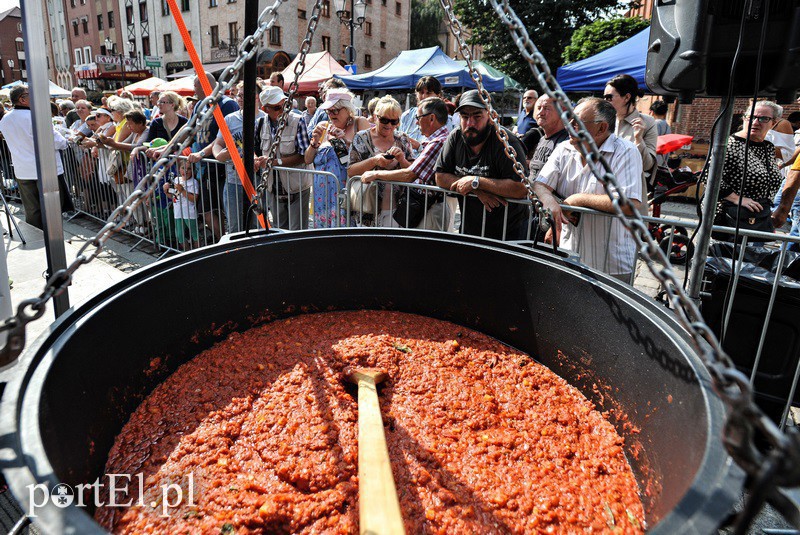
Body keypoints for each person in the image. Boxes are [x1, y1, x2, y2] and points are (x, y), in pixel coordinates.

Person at [533, 97, 643, 281]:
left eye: (577, 122)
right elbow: (539, 184)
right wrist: (550, 202)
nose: (569, 125)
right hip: (569, 255)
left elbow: (629, 203)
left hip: (610, 265)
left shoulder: (625, 151)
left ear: (602, 128)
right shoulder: (564, 149)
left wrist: (577, 200)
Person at [435, 89, 529, 240]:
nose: (470, 123)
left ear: (491, 117)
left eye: (477, 116)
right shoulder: (456, 137)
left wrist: (476, 181)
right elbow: (440, 176)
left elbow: (521, 188)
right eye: (465, 117)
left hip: (509, 232)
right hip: (471, 229)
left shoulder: (506, 142)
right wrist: (474, 188)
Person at [361, 97, 451, 230]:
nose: (416, 122)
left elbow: (410, 175)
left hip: (430, 207)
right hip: (422, 206)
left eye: (418, 117)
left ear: (431, 119)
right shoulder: (438, 140)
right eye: (384, 120)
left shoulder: (438, 143)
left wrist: (376, 174)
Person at [0, 85, 73, 229]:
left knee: (32, 209)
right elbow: (56, 142)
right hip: (46, 170)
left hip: (23, 170)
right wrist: (66, 141)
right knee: (52, 209)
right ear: (22, 99)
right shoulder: (36, 117)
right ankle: (53, 241)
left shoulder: (5, 120)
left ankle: (37, 236)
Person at [711, 101, 783, 241]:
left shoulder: (767, 147)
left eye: (763, 118)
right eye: (751, 117)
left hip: (758, 219)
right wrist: (736, 198)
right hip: (730, 221)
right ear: (744, 118)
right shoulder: (730, 144)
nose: (755, 122)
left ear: (773, 123)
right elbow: (709, 177)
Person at [305, 89, 370, 228]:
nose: (331, 114)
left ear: (347, 109)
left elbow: (367, 156)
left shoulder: (359, 123)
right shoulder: (323, 127)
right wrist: (314, 142)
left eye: (336, 110)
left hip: (346, 193)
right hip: (322, 194)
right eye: (329, 111)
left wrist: (345, 141)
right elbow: (308, 159)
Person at [188, 72, 240, 242]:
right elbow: (189, 131)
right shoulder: (199, 106)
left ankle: (230, 242)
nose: (194, 90)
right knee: (207, 211)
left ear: (205, 85)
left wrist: (203, 153)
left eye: (196, 86)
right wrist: (167, 148)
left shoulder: (227, 104)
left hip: (222, 168)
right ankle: (221, 241)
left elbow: (225, 137)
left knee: (227, 211)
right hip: (204, 169)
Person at [348, 95, 413, 227]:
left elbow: (413, 172)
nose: (389, 125)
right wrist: (374, 161)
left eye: (394, 121)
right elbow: (351, 171)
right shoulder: (362, 138)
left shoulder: (403, 139)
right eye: (384, 120)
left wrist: (402, 159)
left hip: (398, 210)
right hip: (368, 210)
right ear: (376, 117)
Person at [211, 81, 266, 233]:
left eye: (244, 96)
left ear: (257, 98)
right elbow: (217, 145)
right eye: (238, 96)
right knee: (235, 226)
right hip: (233, 180)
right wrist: (220, 155)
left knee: (257, 226)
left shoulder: (265, 119)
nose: (240, 99)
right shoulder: (230, 119)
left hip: (258, 181)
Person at [255, 85, 312, 230]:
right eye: (277, 108)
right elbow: (253, 149)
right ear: (265, 108)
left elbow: (304, 156)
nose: (283, 110)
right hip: (274, 188)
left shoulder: (298, 120)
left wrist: (275, 162)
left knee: (296, 233)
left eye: (285, 105)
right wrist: (256, 160)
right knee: (279, 231)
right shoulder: (261, 124)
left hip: (297, 187)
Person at [604, 74, 657, 195]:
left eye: (609, 97)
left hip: (630, 192)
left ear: (627, 97)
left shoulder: (647, 122)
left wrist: (639, 139)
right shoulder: (604, 121)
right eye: (604, 97)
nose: (605, 102)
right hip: (603, 189)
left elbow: (647, 165)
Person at [398, 76, 455, 154]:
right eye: (421, 93)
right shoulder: (407, 116)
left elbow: (443, 151)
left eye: (429, 93)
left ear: (438, 95)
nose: (424, 97)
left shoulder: (446, 120)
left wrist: (419, 146)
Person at [527, 94, 569, 179]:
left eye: (546, 108)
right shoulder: (543, 139)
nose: (540, 113)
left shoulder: (566, 142)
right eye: (538, 108)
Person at [164, 159, 200, 250]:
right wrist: (166, 191)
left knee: (194, 234)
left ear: (193, 170)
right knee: (179, 235)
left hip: (189, 212)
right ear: (179, 169)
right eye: (183, 168)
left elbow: (194, 199)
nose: (186, 171)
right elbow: (174, 196)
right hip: (178, 212)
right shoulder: (177, 180)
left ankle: (198, 253)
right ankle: (186, 254)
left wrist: (183, 190)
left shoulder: (194, 182)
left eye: (189, 169)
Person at [649, 100, 671, 168]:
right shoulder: (667, 126)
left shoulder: (653, 124)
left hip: (652, 160)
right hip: (663, 159)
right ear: (665, 113)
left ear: (652, 112)